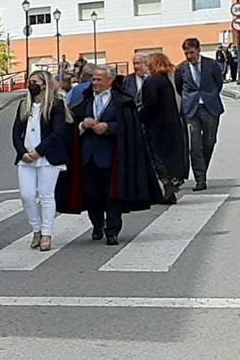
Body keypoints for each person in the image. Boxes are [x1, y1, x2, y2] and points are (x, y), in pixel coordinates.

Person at [60, 63, 163, 244]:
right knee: (91, 194)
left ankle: (112, 230)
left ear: (110, 81)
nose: (95, 83)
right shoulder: (84, 100)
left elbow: (129, 127)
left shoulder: (122, 102)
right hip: (88, 156)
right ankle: (98, 225)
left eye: (99, 79)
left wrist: (108, 128)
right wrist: (83, 125)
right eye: (93, 79)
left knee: (112, 195)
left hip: (113, 157)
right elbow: (71, 126)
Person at [12, 71, 71, 250]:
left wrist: (39, 151)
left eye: (35, 82)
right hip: (26, 158)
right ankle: (35, 229)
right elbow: (16, 132)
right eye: (30, 82)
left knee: (46, 195)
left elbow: (58, 132)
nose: (31, 85)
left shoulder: (56, 105)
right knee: (27, 195)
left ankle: (46, 233)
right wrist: (22, 152)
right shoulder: (24, 105)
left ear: (44, 84)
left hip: (47, 157)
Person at [176, 37, 226, 191]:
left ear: (198, 50)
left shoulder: (211, 65)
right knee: (194, 146)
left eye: (191, 52)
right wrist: (189, 100)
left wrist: (208, 96)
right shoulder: (181, 69)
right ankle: (200, 179)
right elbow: (180, 87)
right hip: (191, 110)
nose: (189, 56)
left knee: (209, 142)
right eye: (186, 53)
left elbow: (218, 83)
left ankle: (203, 169)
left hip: (210, 108)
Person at [139, 53, 188, 202]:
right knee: (170, 155)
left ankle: (167, 185)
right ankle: (171, 187)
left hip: (156, 125)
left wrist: (139, 117)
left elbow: (150, 103)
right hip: (171, 123)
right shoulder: (166, 80)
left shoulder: (151, 81)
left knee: (158, 157)